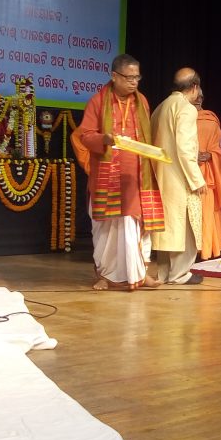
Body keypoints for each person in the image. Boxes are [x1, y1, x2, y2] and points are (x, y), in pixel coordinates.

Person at [78, 53, 162, 290]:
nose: (134, 82)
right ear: (114, 76)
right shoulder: (98, 101)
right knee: (106, 228)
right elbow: (85, 135)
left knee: (134, 223)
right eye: (129, 77)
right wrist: (104, 138)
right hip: (106, 176)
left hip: (135, 176)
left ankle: (140, 273)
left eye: (137, 77)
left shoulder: (142, 101)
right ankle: (104, 275)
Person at [150, 67, 208, 285]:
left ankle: (165, 273)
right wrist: (197, 179)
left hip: (161, 175)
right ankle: (180, 274)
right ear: (194, 87)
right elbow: (185, 149)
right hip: (180, 177)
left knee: (168, 228)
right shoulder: (186, 108)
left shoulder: (161, 106)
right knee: (185, 228)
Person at [194, 89, 221, 260]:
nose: (198, 99)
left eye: (201, 96)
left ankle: (206, 249)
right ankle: (191, 252)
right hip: (187, 171)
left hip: (208, 174)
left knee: (208, 209)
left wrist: (211, 155)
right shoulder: (181, 118)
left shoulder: (210, 119)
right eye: (195, 96)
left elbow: (220, 146)